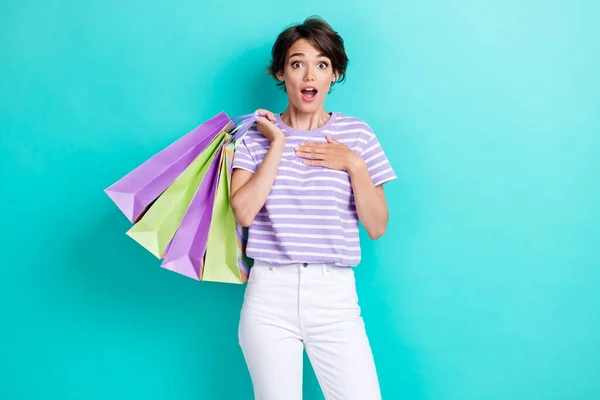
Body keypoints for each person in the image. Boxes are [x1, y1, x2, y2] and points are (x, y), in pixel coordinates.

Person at [230, 16, 397, 400]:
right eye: (297, 62)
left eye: (322, 64)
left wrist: (353, 163)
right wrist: (276, 145)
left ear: (334, 74)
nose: (310, 75)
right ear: (280, 73)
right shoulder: (256, 135)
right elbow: (243, 212)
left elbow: (376, 226)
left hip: (334, 295)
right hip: (270, 294)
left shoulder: (357, 135)